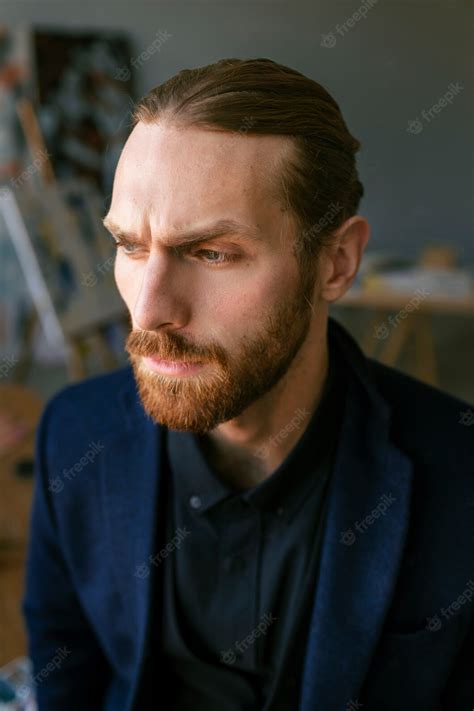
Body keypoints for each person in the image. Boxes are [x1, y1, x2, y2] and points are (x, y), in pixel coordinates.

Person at [22, 57, 473, 711]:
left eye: (212, 253)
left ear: (336, 262)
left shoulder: (458, 475)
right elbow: (66, 659)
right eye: (131, 245)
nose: (149, 310)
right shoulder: (74, 434)